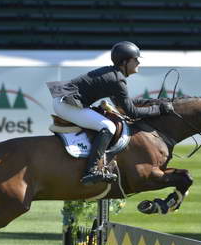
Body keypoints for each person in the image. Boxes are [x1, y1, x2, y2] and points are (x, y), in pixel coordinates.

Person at [47, 41, 174, 186]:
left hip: (64, 100)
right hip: (66, 104)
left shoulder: (114, 75)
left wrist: (156, 104)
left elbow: (125, 105)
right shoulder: (116, 79)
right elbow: (131, 112)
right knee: (108, 127)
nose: (139, 62)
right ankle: (91, 170)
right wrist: (160, 110)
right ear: (124, 62)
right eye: (136, 59)